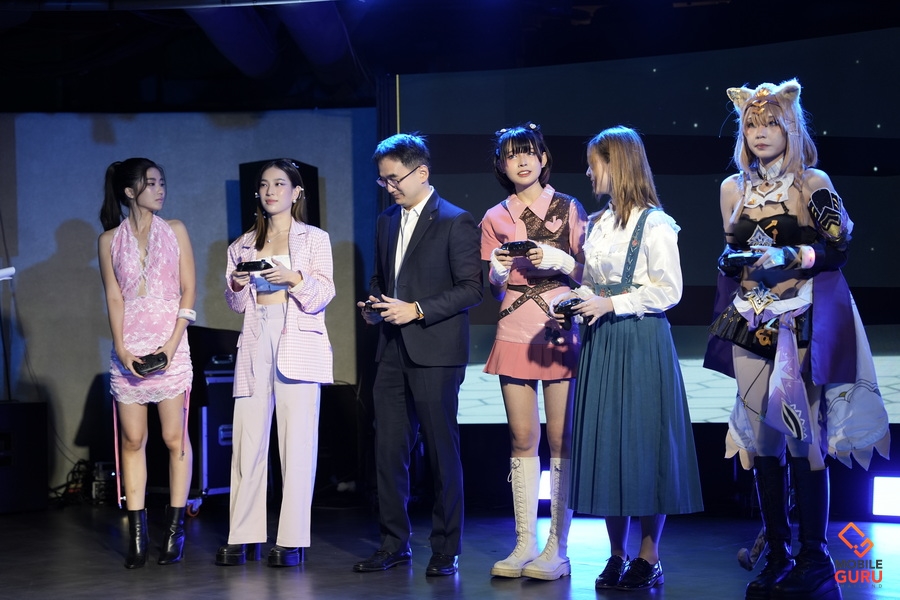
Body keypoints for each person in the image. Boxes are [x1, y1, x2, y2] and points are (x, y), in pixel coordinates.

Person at [704, 79, 890, 600]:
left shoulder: (812, 182)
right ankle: (779, 554)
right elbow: (732, 251)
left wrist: (795, 255)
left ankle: (814, 556)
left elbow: (839, 248)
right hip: (752, 318)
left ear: (790, 128)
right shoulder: (733, 189)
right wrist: (731, 261)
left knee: (800, 434)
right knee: (762, 439)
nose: (760, 132)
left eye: (770, 123)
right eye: (751, 124)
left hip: (800, 315)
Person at [561, 126, 704, 591]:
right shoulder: (600, 223)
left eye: (594, 164)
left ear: (616, 165)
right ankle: (617, 553)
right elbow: (593, 281)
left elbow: (668, 290)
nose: (588, 173)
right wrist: (575, 300)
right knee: (609, 444)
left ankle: (649, 555)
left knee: (644, 444)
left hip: (641, 340)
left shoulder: (655, 223)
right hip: (603, 342)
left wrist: (611, 303)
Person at [353, 133, 483, 577]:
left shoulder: (455, 220)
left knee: (442, 451)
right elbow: (380, 279)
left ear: (421, 172)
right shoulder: (386, 220)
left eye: (394, 179)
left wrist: (418, 309)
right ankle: (394, 543)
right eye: (383, 180)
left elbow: (472, 289)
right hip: (391, 349)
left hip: (436, 351)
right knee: (389, 449)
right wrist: (374, 305)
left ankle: (446, 548)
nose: (388, 187)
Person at [479, 123, 587, 580]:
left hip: (558, 324)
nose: (521, 161)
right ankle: (524, 542)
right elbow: (492, 285)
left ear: (543, 159)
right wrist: (499, 271)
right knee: (522, 437)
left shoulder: (569, 207)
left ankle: (557, 547)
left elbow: (587, 272)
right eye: (511, 155)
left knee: (561, 438)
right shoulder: (494, 216)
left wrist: (558, 260)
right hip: (513, 325)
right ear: (501, 165)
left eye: (529, 153)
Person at [216, 159, 335, 568]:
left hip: (296, 333)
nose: (271, 191)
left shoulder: (314, 238)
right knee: (247, 440)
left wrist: (293, 278)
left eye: (280, 184)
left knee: (297, 441)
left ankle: (292, 539)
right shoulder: (242, 244)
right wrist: (235, 284)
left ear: (296, 191)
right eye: (265, 185)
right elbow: (236, 304)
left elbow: (322, 294)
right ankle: (243, 534)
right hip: (256, 336)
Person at [98, 158, 196, 569]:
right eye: (151, 183)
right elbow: (114, 297)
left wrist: (171, 345)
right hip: (130, 352)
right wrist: (122, 349)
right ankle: (137, 535)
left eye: (162, 182)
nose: (160, 189)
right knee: (133, 440)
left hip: (169, 347)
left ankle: (175, 530)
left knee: (174, 438)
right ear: (129, 191)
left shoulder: (175, 230)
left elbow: (188, 290)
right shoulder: (108, 240)